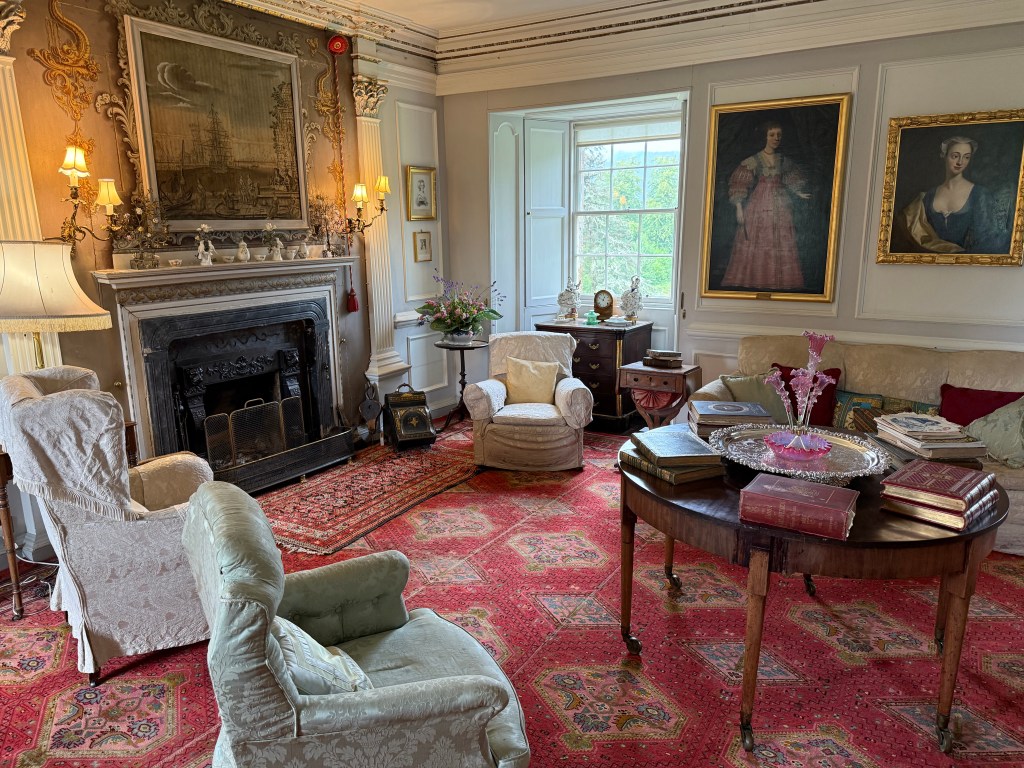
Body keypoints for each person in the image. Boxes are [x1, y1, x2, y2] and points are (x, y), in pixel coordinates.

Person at [721, 121, 810, 291]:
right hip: (759, 205)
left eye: (779, 135)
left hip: (781, 205)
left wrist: (799, 193)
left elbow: (791, 178)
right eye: (772, 135)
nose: (776, 138)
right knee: (759, 240)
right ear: (765, 137)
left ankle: (780, 281)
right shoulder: (754, 160)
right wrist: (739, 208)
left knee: (782, 241)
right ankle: (756, 279)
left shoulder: (782, 160)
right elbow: (740, 183)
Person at [894, 136, 1010, 254]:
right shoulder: (927, 197)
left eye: (966, 157)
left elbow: (987, 240)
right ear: (943, 155)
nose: (960, 162)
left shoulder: (979, 194)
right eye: (955, 156)